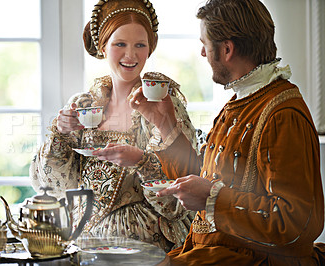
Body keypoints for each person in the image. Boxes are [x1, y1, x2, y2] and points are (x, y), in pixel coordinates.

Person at [129, 0, 325, 264]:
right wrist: (164, 124)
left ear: (227, 49)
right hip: (212, 252)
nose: (202, 52)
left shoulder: (282, 114)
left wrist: (213, 198)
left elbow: (297, 223)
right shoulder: (242, 100)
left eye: (205, 44)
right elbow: (206, 180)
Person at [29, 0, 197, 252]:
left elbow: (180, 201)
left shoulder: (163, 103)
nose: (131, 55)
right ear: (103, 46)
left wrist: (142, 162)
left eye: (140, 45)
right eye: (120, 44)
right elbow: (54, 188)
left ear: (150, 49)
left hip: (145, 251)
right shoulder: (83, 105)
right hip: (83, 247)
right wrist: (61, 134)